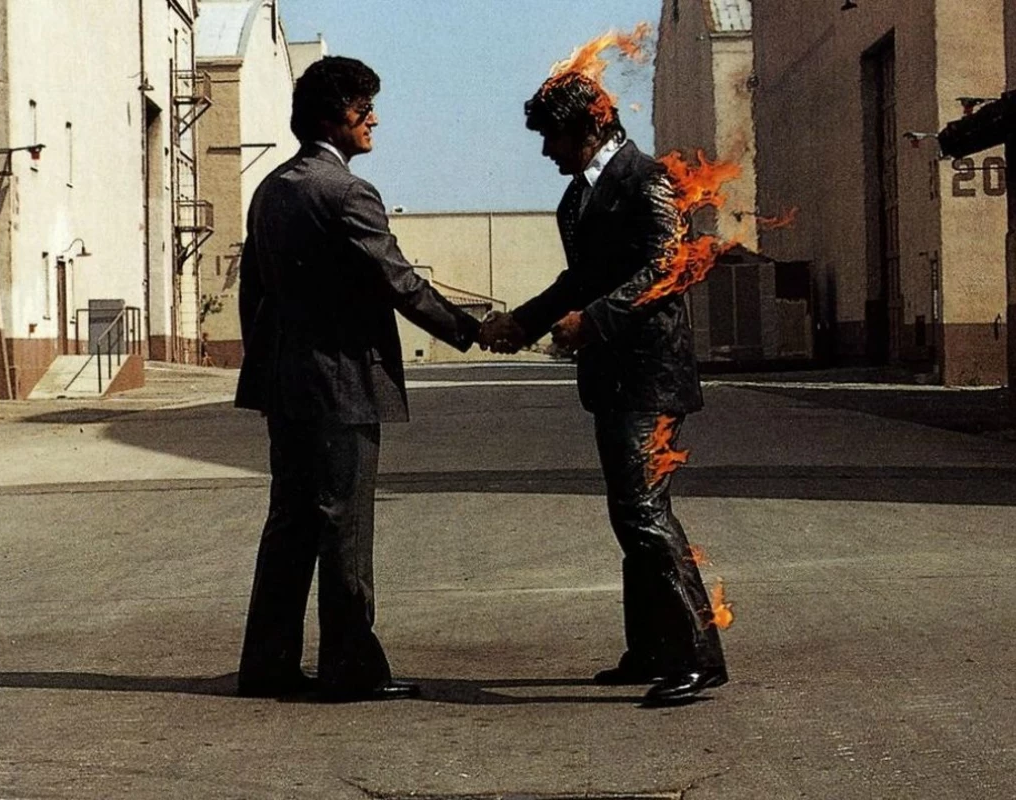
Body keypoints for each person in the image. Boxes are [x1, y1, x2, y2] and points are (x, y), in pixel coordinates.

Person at [235, 56, 481, 702]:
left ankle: (267, 665)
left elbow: (253, 293)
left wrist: (268, 369)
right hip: (341, 386)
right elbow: (399, 281)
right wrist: (473, 329)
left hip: (287, 385)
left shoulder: (270, 190)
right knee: (343, 525)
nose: (374, 119)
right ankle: (350, 669)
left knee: (290, 523)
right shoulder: (347, 193)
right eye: (362, 108)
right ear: (329, 119)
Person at [479, 72, 728, 707]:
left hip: (650, 377)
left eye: (553, 137)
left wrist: (593, 321)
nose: (546, 151)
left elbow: (669, 268)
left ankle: (697, 656)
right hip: (613, 380)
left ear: (590, 128)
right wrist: (524, 322)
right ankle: (650, 650)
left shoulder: (648, 180)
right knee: (630, 515)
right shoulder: (577, 198)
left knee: (645, 513)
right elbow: (578, 279)